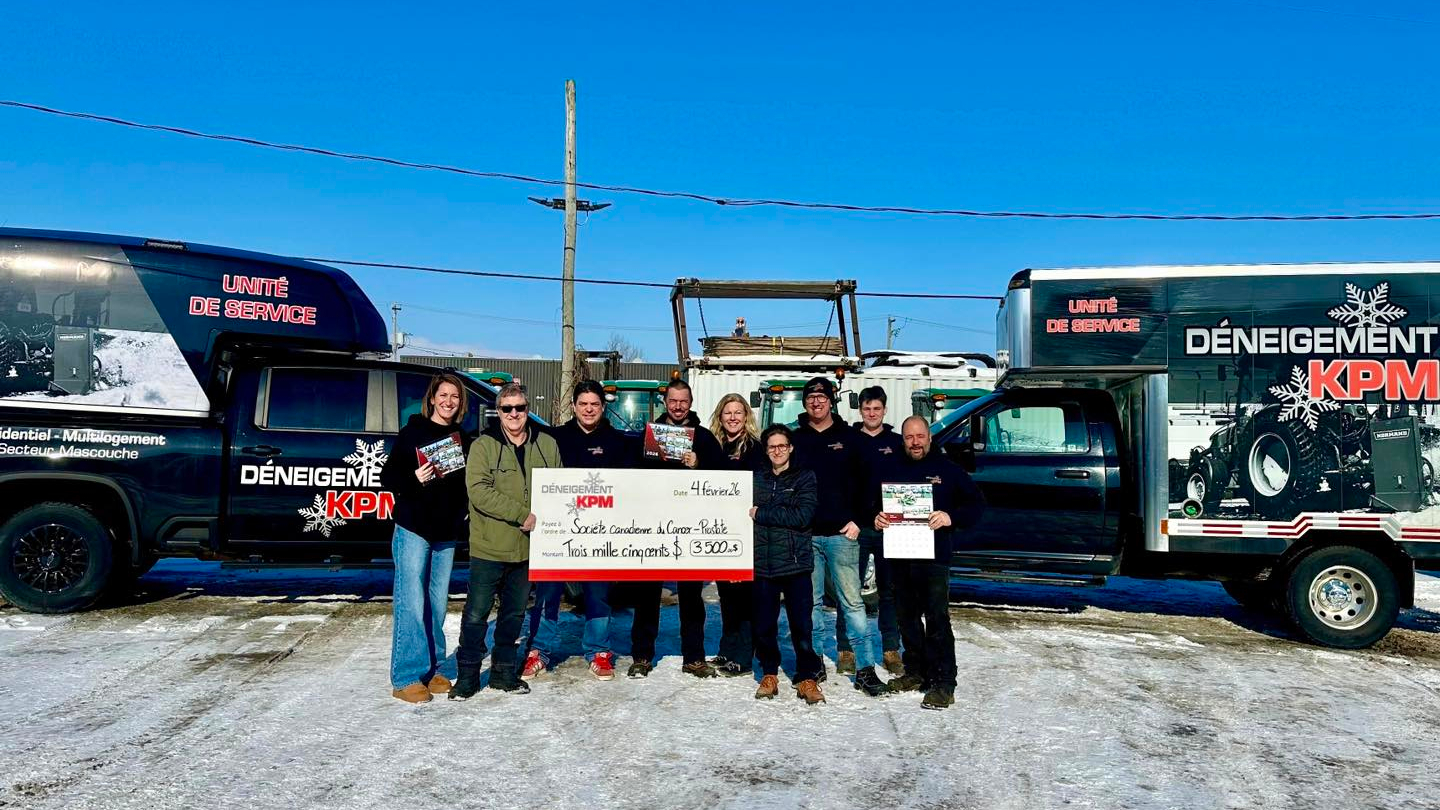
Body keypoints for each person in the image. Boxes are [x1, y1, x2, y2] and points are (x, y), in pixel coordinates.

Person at [451, 383, 563, 699]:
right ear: (498, 412)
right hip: (490, 546)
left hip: (528, 550)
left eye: (520, 408)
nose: (514, 414)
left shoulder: (548, 445)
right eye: (507, 408)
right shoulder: (483, 446)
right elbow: (479, 491)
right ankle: (468, 676)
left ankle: (502, 673)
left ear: (528, 410)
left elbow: (559, 487)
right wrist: (520, 514)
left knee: (513, 615)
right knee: (476, 614)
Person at [873, 416, 984, 710]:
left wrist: (950, 517)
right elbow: (873, 502)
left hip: (933, 557)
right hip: (899, 555)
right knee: (906, 618)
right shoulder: (891, 468)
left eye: (920, 436)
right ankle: (916, 672)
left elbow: (976, 504)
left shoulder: (947, 470)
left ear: (929, 438)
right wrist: (877, 517)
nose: (915, 442)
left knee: (936, 619)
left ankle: (943, 682)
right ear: (903, 439)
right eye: (909, 437)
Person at [525, 380, 632, 681]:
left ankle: (598, 649)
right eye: (583, 404)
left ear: (602, 407)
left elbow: (631, 485)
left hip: (600, 533)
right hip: (557, 533)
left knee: (598, 592)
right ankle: (539, 649)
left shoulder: (617, 441)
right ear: (573, 407)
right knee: (548, 591)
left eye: (594, 404)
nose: (588, 409)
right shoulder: (553, 437)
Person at [379, 373, 472, 703]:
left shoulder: (463, 438)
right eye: (444, 395)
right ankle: (405, 676)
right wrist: (412, 477)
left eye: (455, 397)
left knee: (436, 604)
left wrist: (464, 509)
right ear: (432, 398)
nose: (449, 401)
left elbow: (467, 483)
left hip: (446, 532)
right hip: (414, 529)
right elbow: (386, 476)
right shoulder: (413, 432)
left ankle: (432, 670)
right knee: (411, 601)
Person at [792, 376, 886, 697]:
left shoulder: (850, 438)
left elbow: (871, 483)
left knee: (853, 604)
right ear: (804, 402)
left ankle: (865, 668)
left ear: (831, 401)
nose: (816, 402)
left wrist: (860, 520)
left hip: (842, 536)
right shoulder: (796, 439)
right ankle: (815, 661)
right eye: (810, 398)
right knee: (812, 604)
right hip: (806, 536)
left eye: (822, 397)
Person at [628, 378, 725, 679]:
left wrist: (700, 464)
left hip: (691, 529)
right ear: (665, 402)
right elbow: (631, 476)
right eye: (673, 400)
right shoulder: (649, 436)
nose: (678, 406)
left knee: (692, 596)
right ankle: (642, 655)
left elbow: (723, 479)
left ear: (691, 402)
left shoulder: (705, 439)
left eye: (683, 401)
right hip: (653, 528)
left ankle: (694, 657)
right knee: (646, 594)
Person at [749, 424, 824, 704]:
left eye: (782, 446)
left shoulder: (804, 477)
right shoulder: (757, 479)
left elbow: (802, 516)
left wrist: (762, 513)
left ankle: (807, 677)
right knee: (764, 626)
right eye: (772, 447)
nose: (777, 451)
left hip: (795, 564)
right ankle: (769, 673)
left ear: (791, 447)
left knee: (801, 627)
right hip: (763, 565)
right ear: (766, 450)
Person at [835, 385, 905, 676]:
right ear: (860, 410)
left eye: (876, 408)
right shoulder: (849, 440)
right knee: (849, 592)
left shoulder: (897, 442)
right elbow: (840, 485)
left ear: (884, 410)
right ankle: (846, 649)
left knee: (890, 591)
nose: (872, 413)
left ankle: (890, 649)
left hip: (892, 527)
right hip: (857, 528)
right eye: (866, 409)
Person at [707, 393, 763, 677]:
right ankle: (727, 649)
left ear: (746, 416)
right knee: (726, 595)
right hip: (719, 529)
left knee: (744, 597)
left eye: (738, 412)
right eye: (727, 412)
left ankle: (743, 656)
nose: (732, 417)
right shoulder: (713, 446)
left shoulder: (755, 447)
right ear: (720, 415)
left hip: (746, 531)